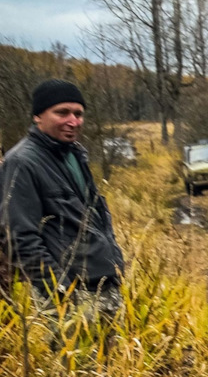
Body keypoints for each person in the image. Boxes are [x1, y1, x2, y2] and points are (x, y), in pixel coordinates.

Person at [0, 79, 125, 316]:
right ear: (38, 116)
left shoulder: (74, 154)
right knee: (75, 354)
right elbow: (18, 236)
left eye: (78, 114)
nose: (73, 121)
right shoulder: (22, 162)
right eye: (62, 112)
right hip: (70, 296)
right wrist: (59, 290)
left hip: (102, 281)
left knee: (107, 353)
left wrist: (115, 263)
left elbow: (93, 217)